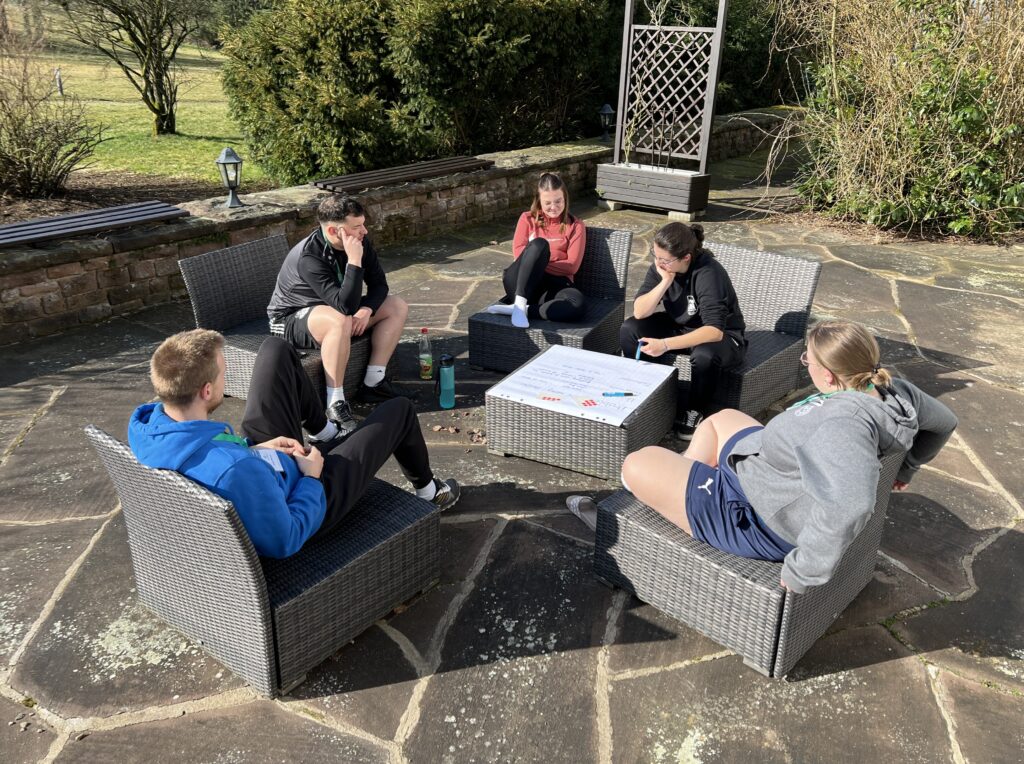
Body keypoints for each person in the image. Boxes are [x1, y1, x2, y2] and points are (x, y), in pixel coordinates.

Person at [568, 320, 957, 594]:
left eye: (807, 361)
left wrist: (804, 571)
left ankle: (634, 524)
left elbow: (851, 504)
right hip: (767, 470)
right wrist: (907, 468)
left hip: (753, 514)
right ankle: (680, 487)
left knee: (636, 463)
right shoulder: (893, 391)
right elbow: (944, 422)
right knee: (719, 420)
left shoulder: (843, 425)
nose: (805, 366)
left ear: (828, 375)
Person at [128, 329, 459, 559]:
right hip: (304, 500)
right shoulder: (234, 471)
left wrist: (254, 449)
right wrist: (312, 477)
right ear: (206, 391)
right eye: (222, 374)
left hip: (258, 465)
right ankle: (430, 492)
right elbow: (285, 539)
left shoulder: (151, 426)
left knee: (275, 350)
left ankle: (325, 432)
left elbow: (216, 459)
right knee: (399, 411)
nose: (224, 378)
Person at [267, 194, 412, 438]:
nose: (364, 231)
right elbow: (344, 307)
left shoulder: (359, 241)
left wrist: (367, 310)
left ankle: (373, 383)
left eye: (363, 224)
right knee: (340, 319)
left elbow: (379, 285)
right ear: (334, 231)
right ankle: (335, 403)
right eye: (357, 227)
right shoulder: (310, 256)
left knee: (396, 306)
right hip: (290, 318)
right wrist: (354, 261)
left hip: (336, 310)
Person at [619, 222, 746, 440]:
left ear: (686, 257)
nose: (658, 262)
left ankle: (695, 410)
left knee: (704, 355)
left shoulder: (708, 273)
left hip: (723, 337)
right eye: (655, 255)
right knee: (631, 329)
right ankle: (648, 394)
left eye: (665, 259)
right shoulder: (663, 268)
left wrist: (665, 345)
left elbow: (714, 331)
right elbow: (639, 312)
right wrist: (665, 281)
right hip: (681, 326)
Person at [485, 172, 587, 329]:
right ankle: (520, 302)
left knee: (577, 305)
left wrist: (538, 262)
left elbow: (572, 266)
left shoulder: (576, 225)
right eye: (548, 203)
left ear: (565, 198)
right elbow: (519, 255)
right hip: (521, 283)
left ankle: (523, 309)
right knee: (539, 245)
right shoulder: (527, 219)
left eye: (558, 201)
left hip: (554, 286)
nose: (554, 207)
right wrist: (540, 256)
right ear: (539, 201)